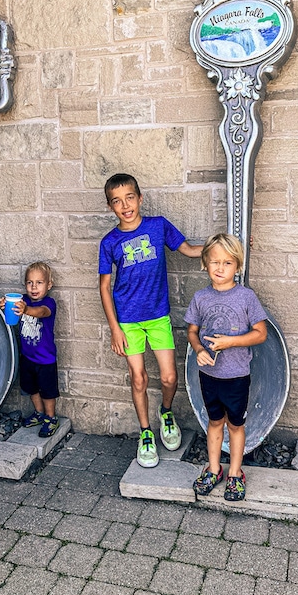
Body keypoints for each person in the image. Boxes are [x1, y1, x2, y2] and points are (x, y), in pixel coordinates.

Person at [99, 173, 202, 468]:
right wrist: (115, 328)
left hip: (158, 317)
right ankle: (146, 432)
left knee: (169, 378)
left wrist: (224, 245)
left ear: (140, 198)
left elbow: (190, 250)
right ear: (110, 207)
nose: (125, 205)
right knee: (139, 378)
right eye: (117, 201)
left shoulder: (158, 227)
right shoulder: (110, 242)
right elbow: (104, 287)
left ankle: (165, 413)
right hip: (129, 320)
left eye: (129, 198)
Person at [185, 233, 267, 501]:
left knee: (235, 425)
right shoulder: (200, 297)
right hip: (209, 375)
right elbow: (192, 331)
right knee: (214, 422)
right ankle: (214, 468)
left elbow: (261, 333)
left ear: (238, 266)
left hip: (236, 376)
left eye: (228, 263)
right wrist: (198, 350)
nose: (220, 268)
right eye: (215, 262)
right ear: (205, 264)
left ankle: (235, 473)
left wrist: (232, 342)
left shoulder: (246, 297)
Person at [0, 262, 60, 438]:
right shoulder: (22, 300)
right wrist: (5, 305)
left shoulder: (49, 303)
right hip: (27, 357)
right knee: (30, 388)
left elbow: (41, 312)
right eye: (29, 282)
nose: (34, 287)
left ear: (49, 285)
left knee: (47, 391)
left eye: (39, 283)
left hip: (45, 359)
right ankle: (39, 413)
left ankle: (51, 417)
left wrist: (26, 310)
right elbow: (13, 313)